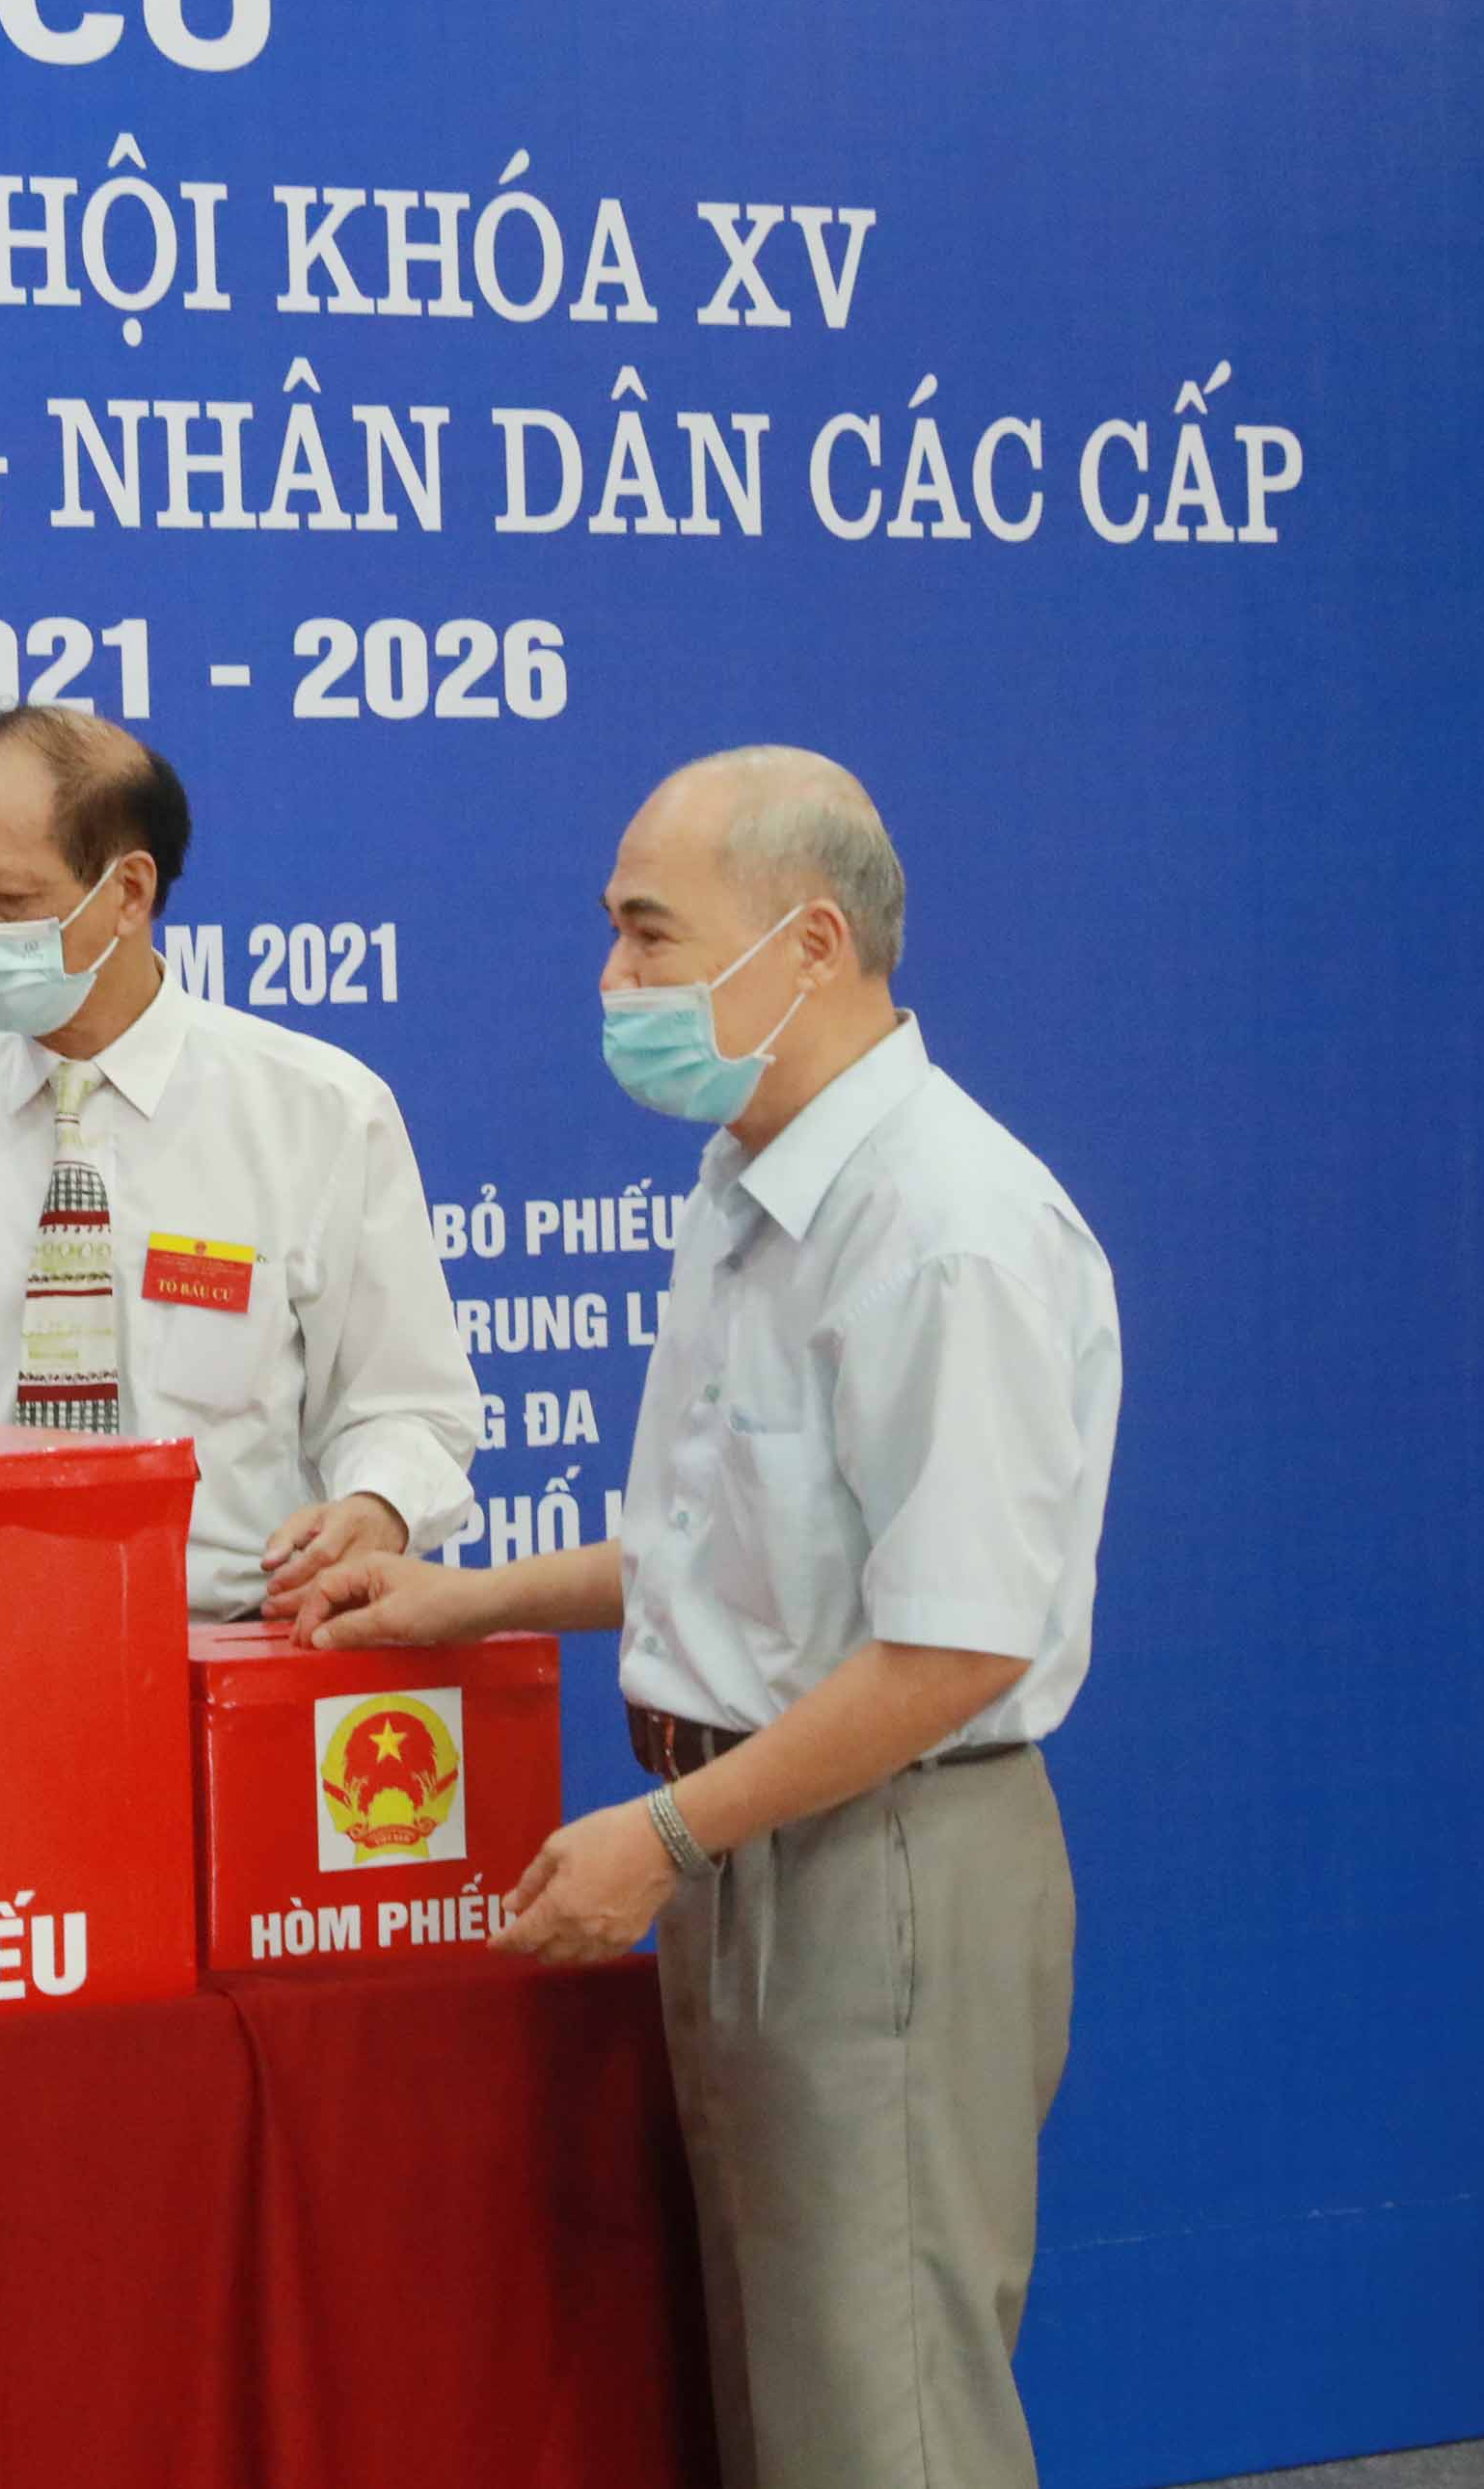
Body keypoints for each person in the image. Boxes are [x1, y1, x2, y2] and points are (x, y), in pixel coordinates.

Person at [278, 746, 1117, 2489]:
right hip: (753, 1844)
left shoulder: (946, 1230)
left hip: (877, 1860)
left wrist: (665, 1834)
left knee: (883, 2426)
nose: (614, 983)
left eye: (650, 936)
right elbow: (723, 1551)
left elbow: (956, 1644)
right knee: (785, 2409)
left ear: (811, 945)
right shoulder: (754, 1189)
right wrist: (461, 1598)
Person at [0, 706, 481, 1617]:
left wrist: (376, 1506)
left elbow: (407, 1406)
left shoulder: (318, 1113)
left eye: (7, 897)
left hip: (240, 1640)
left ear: (129, 892)